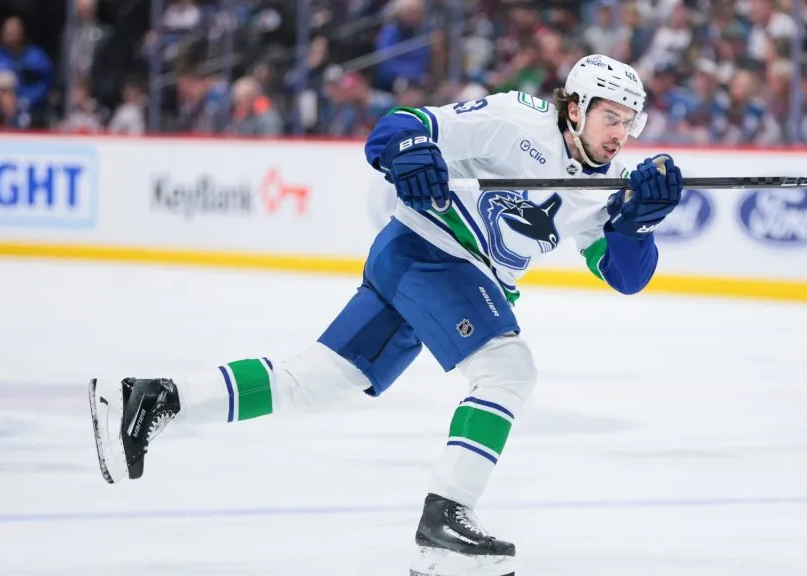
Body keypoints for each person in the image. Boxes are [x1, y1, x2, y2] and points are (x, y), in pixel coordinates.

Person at [88, 54, 684, 576]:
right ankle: (445, 521)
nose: (621, 133)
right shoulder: (516, 118)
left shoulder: (610, 188)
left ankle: (155, 398)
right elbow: (404, 127)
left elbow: (625, 276)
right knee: (508, 369)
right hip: (429, 251)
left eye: (630, 123)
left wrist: (642, 220)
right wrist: (410, 155)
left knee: (314, 382)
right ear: (575, 108)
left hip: (428, 266)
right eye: (612, 116)